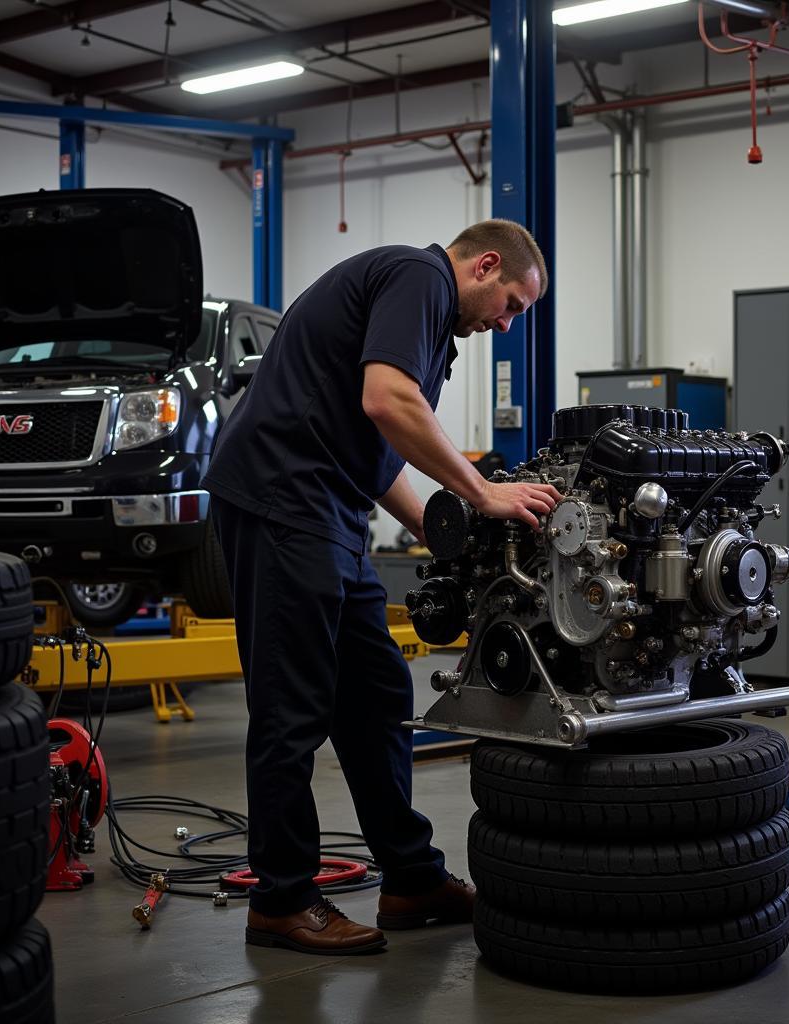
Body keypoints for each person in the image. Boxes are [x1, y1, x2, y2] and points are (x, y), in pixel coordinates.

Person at [202, 219, 561, 955]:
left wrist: (438, 522)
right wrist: (483, 493)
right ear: (485, 265)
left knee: (375, 696)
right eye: (512, 305)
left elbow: (378, 451)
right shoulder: (418, 277)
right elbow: (389, 404)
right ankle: (282, 899)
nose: (505, 323)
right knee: (292, 706)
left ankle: (410, 877)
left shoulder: (428, 319)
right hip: (281, 501)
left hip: (328, 508)